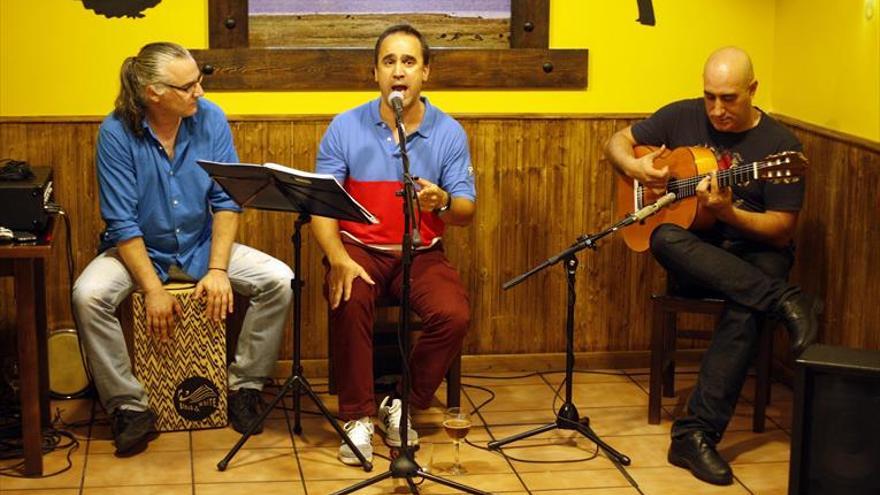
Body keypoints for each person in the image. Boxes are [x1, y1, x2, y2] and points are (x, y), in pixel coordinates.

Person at [604, 47, 820, 485]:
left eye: (729, 98)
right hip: (696, 253)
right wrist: (636, 165)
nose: (717, 110)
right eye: (709, 97)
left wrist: (728, 213)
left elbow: (781, 230)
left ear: (753, 90)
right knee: (663, 236)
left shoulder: (781, 149)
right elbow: (617, 141)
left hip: (755, 250)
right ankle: (785, 301)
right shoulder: (681, 115)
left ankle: (694, 434)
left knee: (748, 302)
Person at [72, 42, 293, 456]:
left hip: (199, 244)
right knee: (88, 296)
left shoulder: (210, 120)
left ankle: (244, 387)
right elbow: (122, 221)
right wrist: (153, 289)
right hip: (139, 250)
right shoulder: (116, 132)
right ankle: (128, 407)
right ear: (153, 92)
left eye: (200, 80)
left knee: (278, 280)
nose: (201, 92)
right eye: (188, 86)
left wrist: (219, 269)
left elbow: (227, 201)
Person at [312, 24, 476, 466]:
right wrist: (338, 259)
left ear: (426, 72)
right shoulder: (345, 126)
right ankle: (356, 417)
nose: (398, 72)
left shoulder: (448, 132)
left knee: (453, 314)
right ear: (375, 73)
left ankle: (401, 401)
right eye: (389, 62)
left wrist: (441, 202)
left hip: (420, 251)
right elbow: (322, 208)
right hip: (359, 248)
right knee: (349, 295)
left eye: (408, 62)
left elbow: (466, 210)